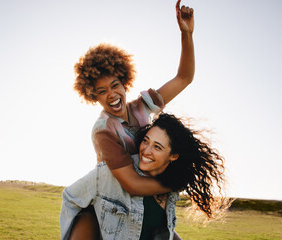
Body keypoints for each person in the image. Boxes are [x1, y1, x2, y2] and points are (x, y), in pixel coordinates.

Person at [69, 1, 195, 238]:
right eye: (101, 91)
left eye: (115, 85)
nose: (111, 95)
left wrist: (186, 34)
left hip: (143, 202)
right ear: (92, 96)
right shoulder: (103, 130)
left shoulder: (141, 107)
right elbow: (132, 184)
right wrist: (175, 182)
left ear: (125, 82)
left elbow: (184, 77)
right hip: (114, 204)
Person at [61, 113, 229, 239]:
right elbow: (71, 197)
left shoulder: (170, 186)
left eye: (157, 147)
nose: (146, 151)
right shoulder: (111, 173)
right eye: (146, 141)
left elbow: (159, 228)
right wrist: (86, 220)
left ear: (174, 156)